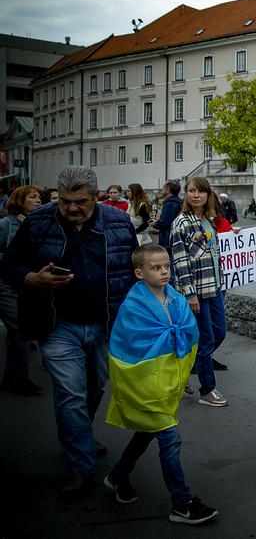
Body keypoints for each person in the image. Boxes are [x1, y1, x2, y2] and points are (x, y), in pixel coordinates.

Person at [0, 166, 135, 501]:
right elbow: (9, 263)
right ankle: (81, 465)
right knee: (70, 393)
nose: (73, 208)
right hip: (57, 324)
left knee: (94, 388)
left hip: (106, 325)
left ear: (96, 196)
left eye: (81, 202)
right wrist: (31, 278)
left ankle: (80, 435)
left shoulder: (117, 222)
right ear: (58, 196)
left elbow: (134, 266)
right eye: (66, 202)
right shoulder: (39, 221)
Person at [102, 244, 217, 525]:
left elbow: (189, 334)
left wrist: (180, 373)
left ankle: (117, 476)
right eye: (156, 267)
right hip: (144, 387)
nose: (164, 271)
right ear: (139, 273)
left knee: (145, 432)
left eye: (166, 266)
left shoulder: (176, 298)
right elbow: (128, 349)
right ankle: (182, 502)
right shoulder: (132, 307)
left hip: (166, 384)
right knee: (169, 437)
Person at [170, 177, 228, 407]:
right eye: (191, 191)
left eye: (201, 191)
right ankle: (208, 389)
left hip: (214, 287)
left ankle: (183, 369)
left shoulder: (208, 221)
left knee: (219, 332)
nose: (196, 195)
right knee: (205, 339)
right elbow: (180, 260)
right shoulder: (181, 223)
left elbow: (213, 253)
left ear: (207, 195)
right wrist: (189, 293)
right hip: (196, 291)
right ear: (186, 194)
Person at [0, 184, 44, 395]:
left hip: (26, 285)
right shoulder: (6, 225)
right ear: (19, 201)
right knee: (19, 329)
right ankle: (18, 378)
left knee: (19, 331)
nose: (38, 200)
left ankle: (12, 376)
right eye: (32, 197)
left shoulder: (37, 224)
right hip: (5, 284)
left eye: (39, 197)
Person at [154, 181, 182, 258]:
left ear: (168, 189)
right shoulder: (177, 201)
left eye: (163, 188)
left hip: (168, 239)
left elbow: (165, 222)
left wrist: (155, 224)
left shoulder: (170, 203)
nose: (162, 190)